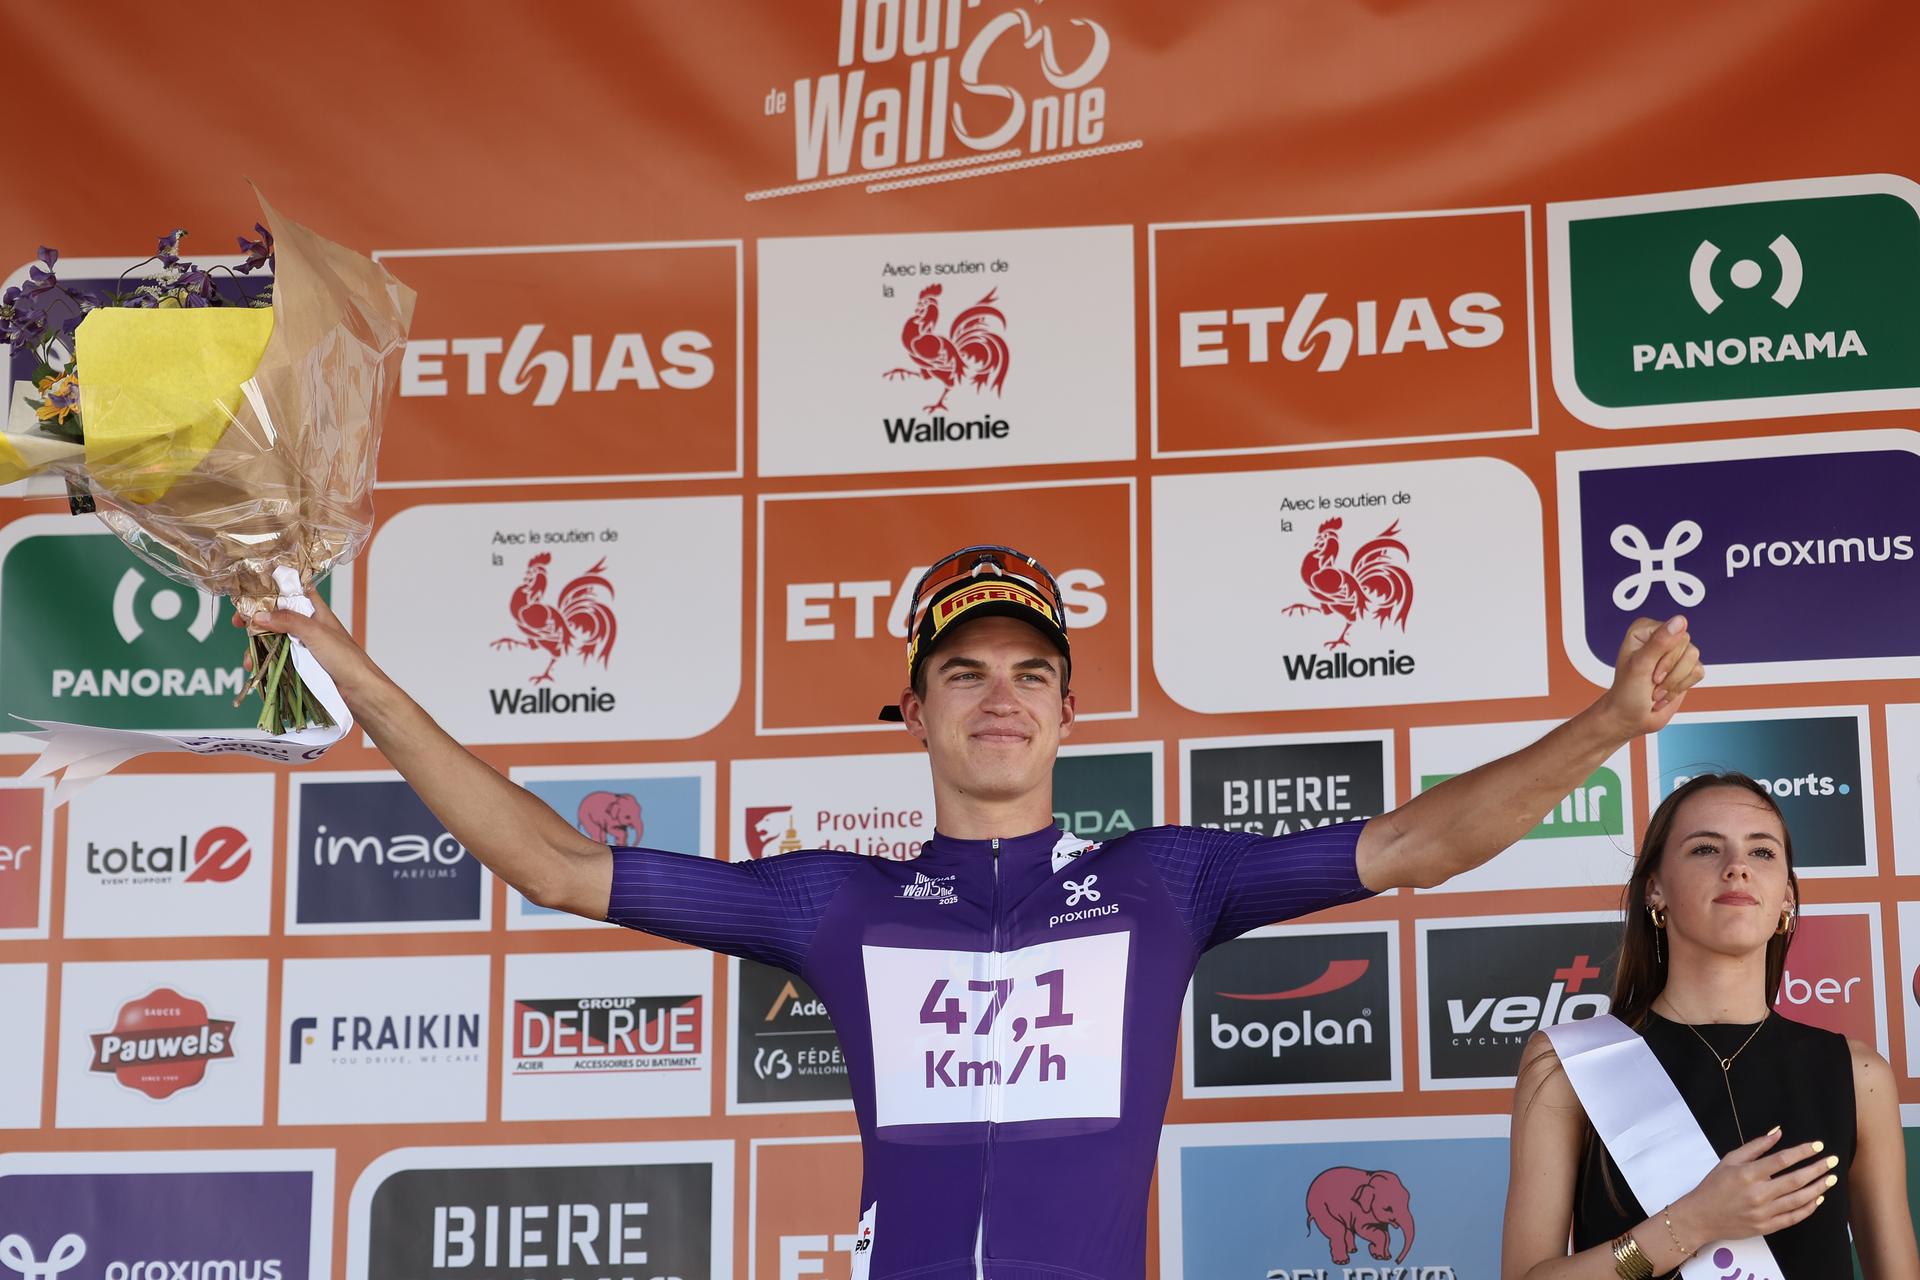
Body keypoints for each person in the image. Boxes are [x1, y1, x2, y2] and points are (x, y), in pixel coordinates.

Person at [247, 543, 1703, 1280]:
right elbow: (561, 866)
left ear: (1070, 714)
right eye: (963, 673)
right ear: (916, 715)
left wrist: (1606, 719)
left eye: (1027, 674)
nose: (998, 695)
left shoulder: (1167, 881)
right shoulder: (837, 901)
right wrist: (343, 664)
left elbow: (1425, 842)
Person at [1501, 773, 1919, 1280]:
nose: (1737, 868)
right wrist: (1692, 1223)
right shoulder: (1568, 1063)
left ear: (1787, 896)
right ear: (1655, 889)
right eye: (1704, 849)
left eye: (1762, 853)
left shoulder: (1858, 1074)